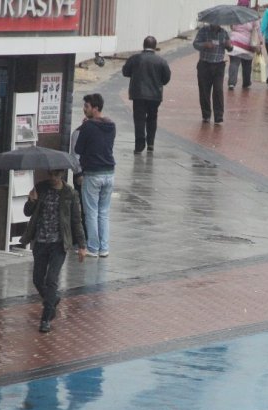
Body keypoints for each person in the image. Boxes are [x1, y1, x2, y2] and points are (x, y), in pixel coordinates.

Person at [20, 169, 87, 333]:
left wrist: (82, 246)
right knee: (37, 279)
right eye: (49, 174)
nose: (51, 178)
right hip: (41, 241)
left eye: (55, 175)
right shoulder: (40, 188)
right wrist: (31, 201)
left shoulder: (70, 193)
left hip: (59, 243)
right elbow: (27, 212)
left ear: (62, 175)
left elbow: (76, 220)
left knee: (51, 279)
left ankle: (46, 317)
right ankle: (52, 299)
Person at [74, 93, 116, 257]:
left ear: (95, 108)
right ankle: (104, 248)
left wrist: (85, 127)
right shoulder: (111, 125)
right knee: (104, 212)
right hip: (109, 172)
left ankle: (92, 247)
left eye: (87, 107)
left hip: (93, 174)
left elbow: (78, 149)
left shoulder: (88, 127)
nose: (84, 109)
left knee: (91, 211)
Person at [121, 35, 172, 154]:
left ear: (143, 45)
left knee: (139, 118)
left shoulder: (135, 58)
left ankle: (139, 144)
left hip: (138, 94)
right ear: (155, 46)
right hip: (155, 95)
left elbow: (125, 72)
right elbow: (166, 78)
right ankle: (151, 143)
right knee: (152, 118)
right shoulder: (161, 61)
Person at [193, 23, 233, 124]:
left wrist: (229, 46)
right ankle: (206, 115)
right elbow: (195, 44)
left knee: (218, 90)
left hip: (219, 65)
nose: (216, 24)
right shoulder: (203, 31)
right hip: (204, 64)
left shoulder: (224, 33)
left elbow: (230, 48)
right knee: (204, 91)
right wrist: (205, 45)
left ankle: (218, 116)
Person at [227, 0, 263, 91]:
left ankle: (231, 83)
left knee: (234, 63)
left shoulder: (235, 14)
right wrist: (261, 42)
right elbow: (258, 29)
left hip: (234, 41)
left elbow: (232, 27)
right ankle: (246, 83)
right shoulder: (252, 15)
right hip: (247, 43)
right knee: (247, 64)